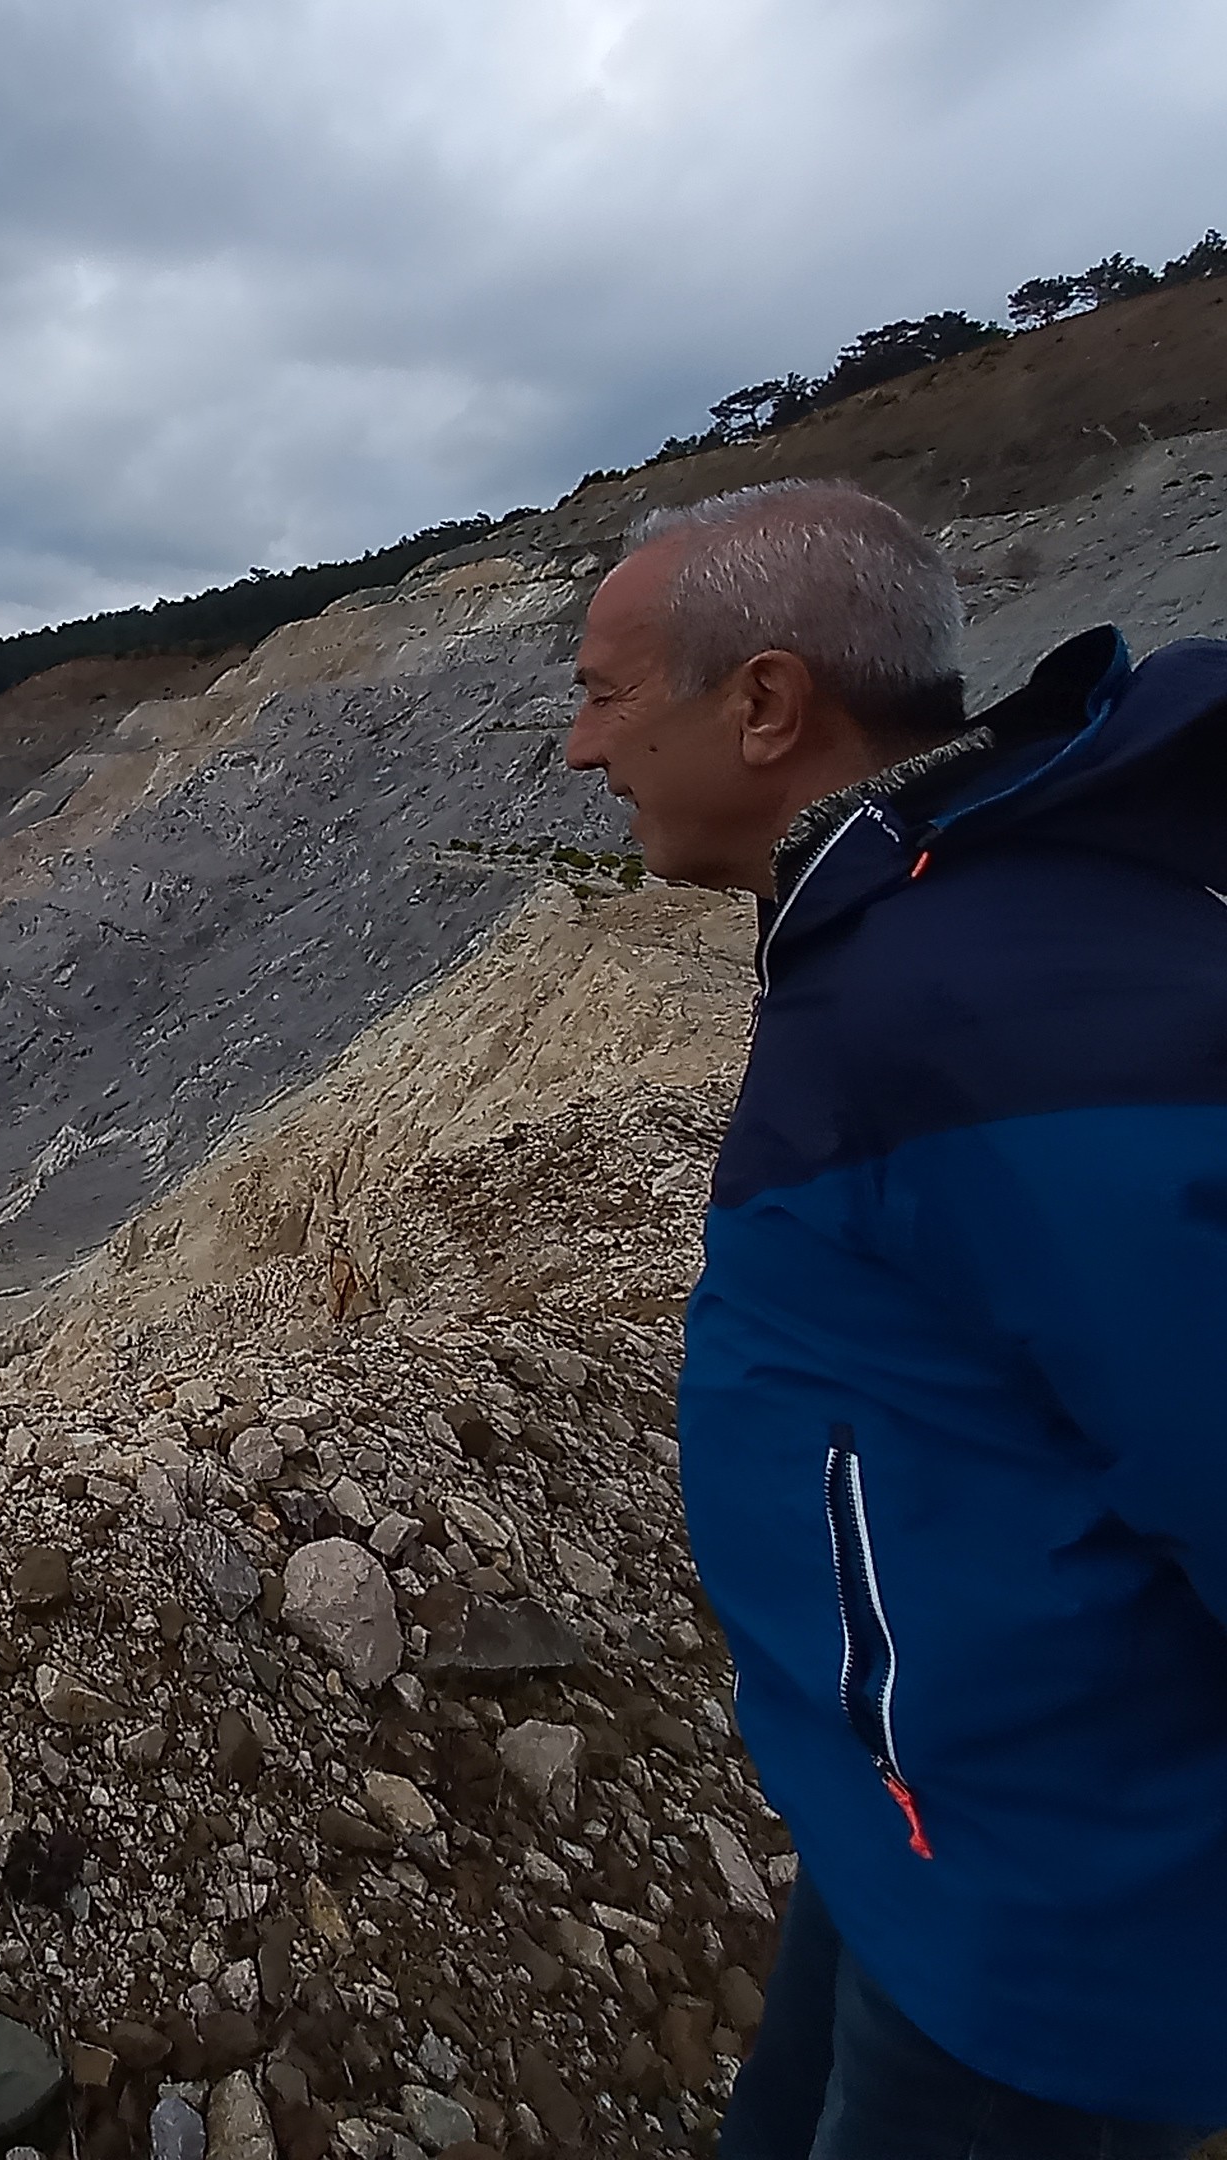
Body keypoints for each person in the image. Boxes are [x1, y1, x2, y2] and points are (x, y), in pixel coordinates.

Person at [563, 479, 1227, 2156]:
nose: (582, 751)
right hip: (919, 1834)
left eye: (607, 692)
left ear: (769, 704)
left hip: (1053, 1931)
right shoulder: (915, 945)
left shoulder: (987, 1005)